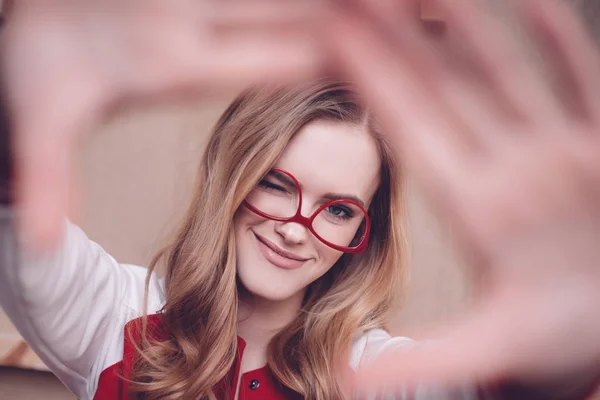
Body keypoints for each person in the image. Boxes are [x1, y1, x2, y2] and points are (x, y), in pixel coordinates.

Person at [1, 0, 600, 398]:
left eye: (339, 209)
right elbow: (16, 216)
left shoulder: (376, 374)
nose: (295, 229)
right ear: (233, 179)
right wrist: (13, 107)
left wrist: (569, 355)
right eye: (276, 184)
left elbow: (502, 381)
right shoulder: (114, 314)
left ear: (363, 236)